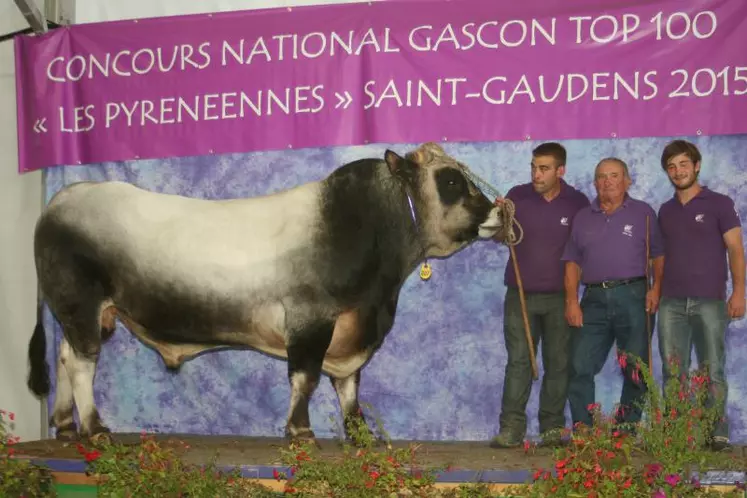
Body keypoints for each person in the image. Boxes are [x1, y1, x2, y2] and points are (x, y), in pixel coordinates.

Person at [490, 142, 590, 448]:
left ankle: (551, 427)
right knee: (519, 361)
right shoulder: (516, 196)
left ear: (560, 170)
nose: (536, 173)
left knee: (558, 363)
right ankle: (511, 428)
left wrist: (574, 297)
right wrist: (500, 219)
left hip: (561, 297)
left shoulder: (577, 202)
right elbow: (498, 236)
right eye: (534, 167)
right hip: (519, 294)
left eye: (544, 168)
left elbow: (584, 250)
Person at [561, 157, 664, 433]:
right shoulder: (583, 217)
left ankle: (626, 429)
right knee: (580, 364)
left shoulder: (643, 213)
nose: (607, 181)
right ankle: (584, 427)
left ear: (627, 180)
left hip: (634, 296)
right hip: (592, 299)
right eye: (602, 177)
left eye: (614, 175)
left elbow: (658, 256)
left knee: (635, 367)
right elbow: (572, 262)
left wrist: (656, 289)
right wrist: (572, 301)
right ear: (595, 183)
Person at [656, 139, 745, 451]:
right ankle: (676, 429)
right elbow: (660, 259)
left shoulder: (719, 203)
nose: (678, 171)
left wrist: (739, 293)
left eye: (683, 164)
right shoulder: (665, 211)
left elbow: (735, 249)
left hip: (710, 300)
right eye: (671, 166)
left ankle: (716, 428)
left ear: (696, 166)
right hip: (671, 302)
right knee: (672, 370)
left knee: (712, 367)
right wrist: (655, 291)